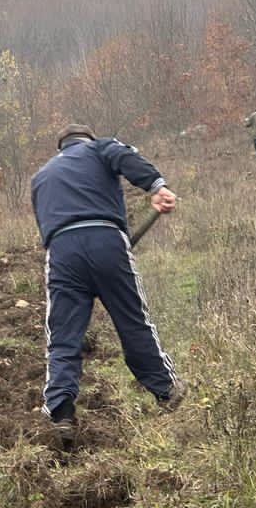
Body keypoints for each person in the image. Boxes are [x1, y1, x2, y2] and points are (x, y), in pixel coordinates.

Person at [30, 123, 185, 451]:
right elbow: (124, 156)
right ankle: (166, 390)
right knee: (133, 322)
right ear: (85, 139)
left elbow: (51, 224)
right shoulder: (99, 147)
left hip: (61, 252)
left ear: (61, 147)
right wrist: (156, 186)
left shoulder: (41, 176)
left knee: (62, 337)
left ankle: (60, 413)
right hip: (106, 240)